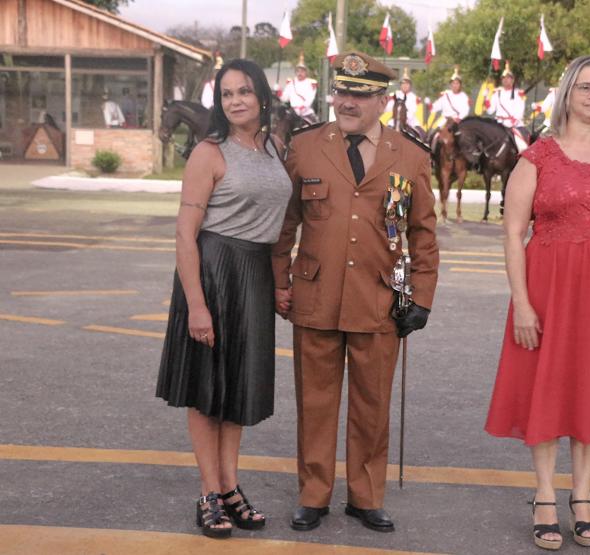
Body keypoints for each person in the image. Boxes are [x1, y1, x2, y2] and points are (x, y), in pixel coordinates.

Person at [485, 55, 590, 551]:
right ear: (567, 95)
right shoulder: (538, 156)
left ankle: (582, 495)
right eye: (585, 88)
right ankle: (543, 495)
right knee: (545, 389)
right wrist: (523, 302)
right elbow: (514, 234)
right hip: (546, 291)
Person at [272, 51, 439, 534]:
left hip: (379, 299)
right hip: (316, 296)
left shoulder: (410, 155)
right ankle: (313, 494)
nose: (348, 102)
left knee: (372, 405)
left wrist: (419, 296)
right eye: (343, 91)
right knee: (316, 403)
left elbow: (421, 234)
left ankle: (365, 496)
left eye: (360, 95)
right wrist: (278, 283)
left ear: (381, 101)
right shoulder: (305, 149)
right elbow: (284, 225)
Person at [156, 59, 292, 538]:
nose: (235, 100)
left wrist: (278, 280)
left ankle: (232, 488)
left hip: (254, 274)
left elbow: (277, 228)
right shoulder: (209, 152)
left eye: (244, 91)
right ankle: (209, 493)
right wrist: (196, 303)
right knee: (205, 387)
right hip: (213, 272)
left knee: (238, 387)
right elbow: (184, 234)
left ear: (262, 96)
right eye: (227, 93)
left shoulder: (275, 147)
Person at [486, 62, 529, 152]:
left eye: (508, 78)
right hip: (499, 124)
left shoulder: (519, 93)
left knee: (522, 146)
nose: (506, 80)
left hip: (514, 124)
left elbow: (520, 111)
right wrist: (486, 100)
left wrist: (513, 122)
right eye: (504, 78)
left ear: (512, 80)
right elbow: (490, 111)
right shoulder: (497, 93)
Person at [282, 55, 318, 120]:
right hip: (292, 113)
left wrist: (302, 108)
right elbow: (284, 98)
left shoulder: (311, 83)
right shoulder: (291, 83)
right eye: (298, 71)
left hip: (306, 113)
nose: (299, 73)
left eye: (302, 71)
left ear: (306, 72)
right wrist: (278, 92)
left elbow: (310, 98)